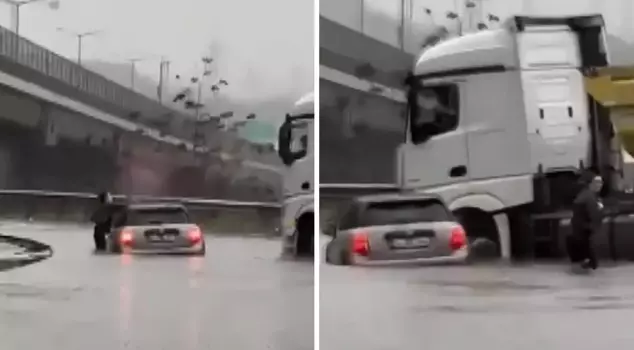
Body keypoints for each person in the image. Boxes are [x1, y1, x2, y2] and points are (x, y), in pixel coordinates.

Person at [568, 172, 604, 270]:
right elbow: (594, 214)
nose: (600, 185)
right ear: (589, 183)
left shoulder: (588, 194)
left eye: (601, 182)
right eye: (596, 182)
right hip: (585, 230)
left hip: (583, 229)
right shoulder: (588, 197)